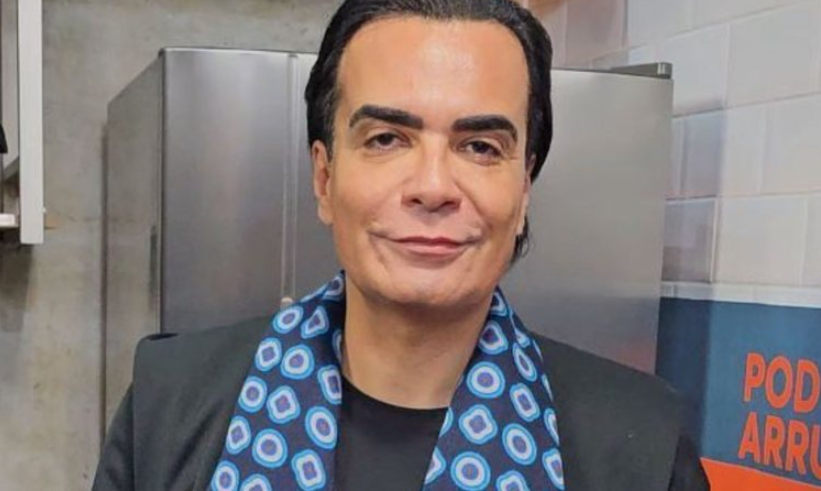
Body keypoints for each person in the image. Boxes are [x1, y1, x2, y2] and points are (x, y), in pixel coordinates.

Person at [92, 0, 710, 490]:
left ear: (523, 190)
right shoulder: (171, 404)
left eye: (480, 147)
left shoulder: (639, 445)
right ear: (324, 178)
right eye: (386, 139)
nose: (433, 187)